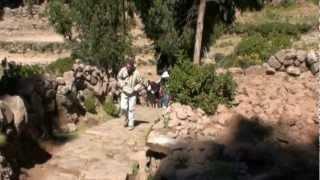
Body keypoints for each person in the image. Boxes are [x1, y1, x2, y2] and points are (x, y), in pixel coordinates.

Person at [117, 58, 143, 130]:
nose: (128, 68)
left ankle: (131, 124)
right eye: (127, 67)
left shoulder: (136, 73)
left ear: (132, 66)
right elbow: (118, 77)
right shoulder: (123, 70)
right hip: (124, 92)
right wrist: (122, 84)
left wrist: (135, 88)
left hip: (133, 93)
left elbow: (141, 82)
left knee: (131, 109)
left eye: (129, 67)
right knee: (123, 108)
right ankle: (126, 119)